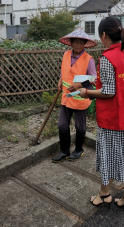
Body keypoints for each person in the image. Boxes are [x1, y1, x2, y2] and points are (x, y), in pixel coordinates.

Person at [77, 17, 124, 214]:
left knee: (108, 157)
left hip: (112, 119)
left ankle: (104, 195)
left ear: (103, 35)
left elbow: (109, 91)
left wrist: (87, 93)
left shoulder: (107, 58)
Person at [52, 28, 97, 163]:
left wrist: (79, 85)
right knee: (62, 125)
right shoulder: (66, 55)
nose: (78, 45)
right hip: (66, 96)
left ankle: (78, 150)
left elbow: (94, 78)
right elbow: (63, 71)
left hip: (79, 97)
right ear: (71, 43)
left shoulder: (89, 59)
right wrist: (60, 80)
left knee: (80, 126)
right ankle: (64, 151)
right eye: (75, 42)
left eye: (81, 43)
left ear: (84, 44)